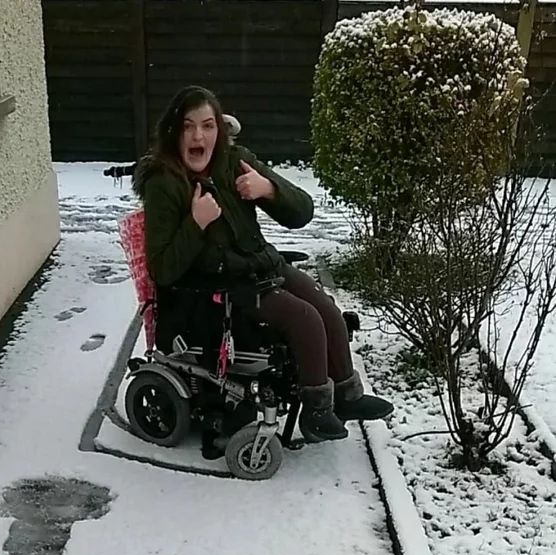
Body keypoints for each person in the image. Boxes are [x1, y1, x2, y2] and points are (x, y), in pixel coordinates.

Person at [133, 86, 393, 442]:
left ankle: (347, 397)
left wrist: (268, 189)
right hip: (220, 284)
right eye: (188, 126)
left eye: (208, 126)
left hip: (262, 265)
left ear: (219, 131)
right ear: (174, 132)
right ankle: (316, 410)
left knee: (329, 311)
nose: (198, 136)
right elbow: (162, 269)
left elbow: (302, 210)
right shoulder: (164, 183)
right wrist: (196, 222)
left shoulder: (235, 160)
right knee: (307, 320)